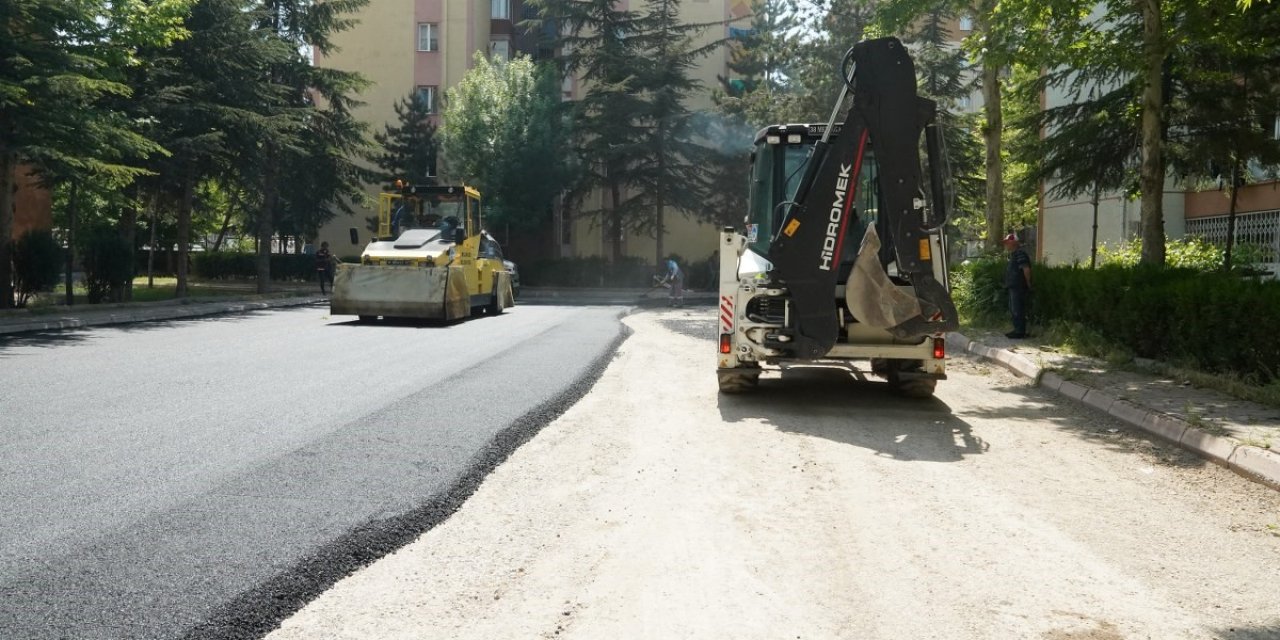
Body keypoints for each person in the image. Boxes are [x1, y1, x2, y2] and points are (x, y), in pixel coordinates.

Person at [1002, 233, 1032, 339]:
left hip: (1018, 286)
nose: (1006, 245)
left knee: (1017, 308)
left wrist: (1028, 282)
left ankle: (1020, 331)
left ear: (1014, 243)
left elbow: (1026, 268)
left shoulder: (1020, 254)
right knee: (1013, 308)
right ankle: (1017, 329)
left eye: (1007, 243)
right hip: (1013, 286)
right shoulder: (1014, 255)